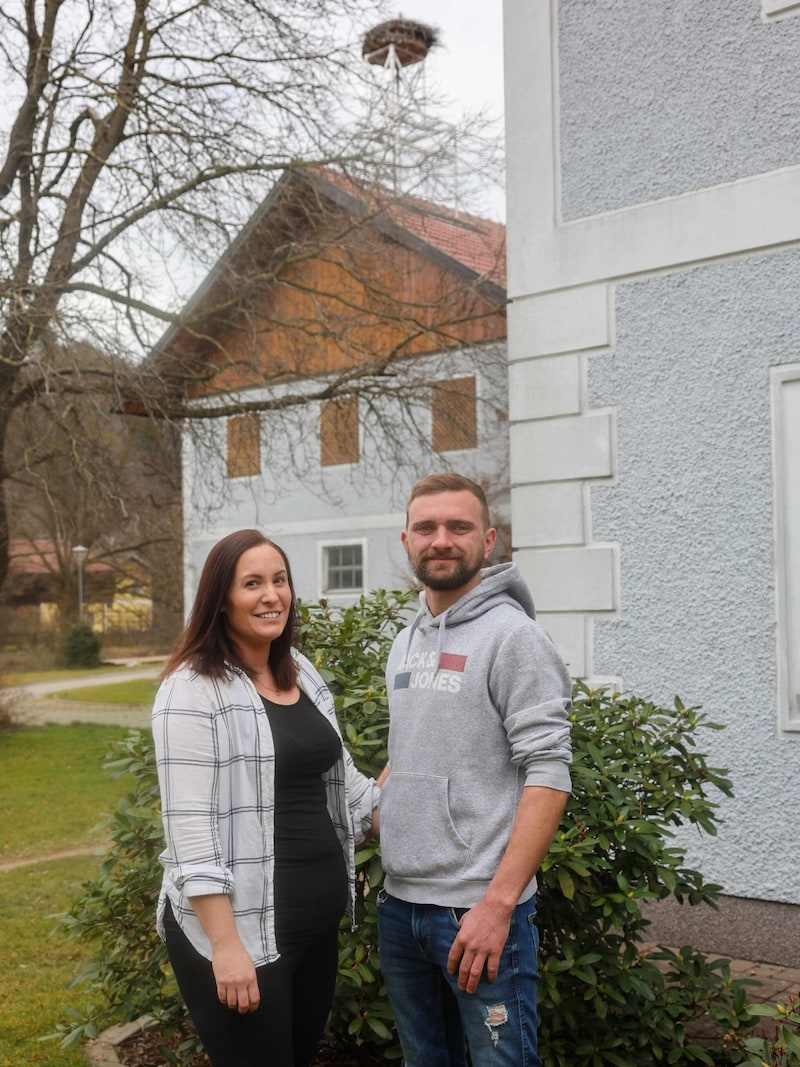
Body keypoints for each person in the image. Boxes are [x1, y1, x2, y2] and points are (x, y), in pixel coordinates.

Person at [151, 529, 379, 1067]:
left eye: (279, 581)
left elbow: (348, 788)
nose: (271, 595)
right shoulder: (192, 689)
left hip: (313, 930)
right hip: (241, 936)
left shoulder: (300, 671)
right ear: (220, 599)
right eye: (251, 583)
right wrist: (227, 949)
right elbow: (190, 832)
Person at [376, 473, 572, 1067]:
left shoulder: (514, 638)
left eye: (458, 527)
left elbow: (548, 772)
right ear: (405, 539)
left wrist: (498, 905)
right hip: (400, 905)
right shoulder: (405, 638)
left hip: (478, 911)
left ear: (488, 541)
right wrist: (367, 810)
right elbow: (410, 755)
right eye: (426, 528)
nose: (442, 540)